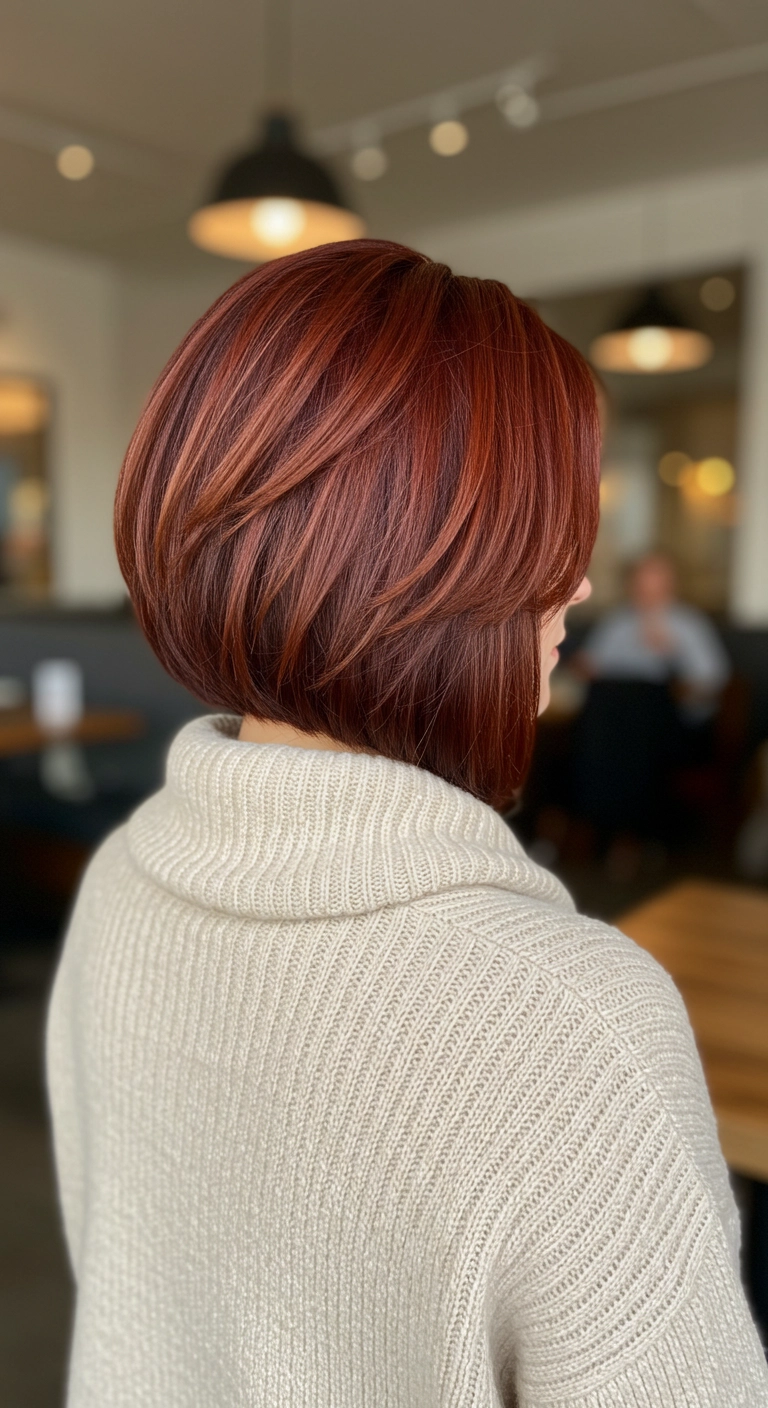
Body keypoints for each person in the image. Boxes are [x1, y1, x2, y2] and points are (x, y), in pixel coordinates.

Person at [45, 242, 767, 1407]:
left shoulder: (122, 876)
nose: (579, 584)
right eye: (553, 530)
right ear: (436, 566)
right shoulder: (578, 1029)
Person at [569, 553, 732, 851]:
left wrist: (674, 657)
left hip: (674, 725)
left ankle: (626, 833)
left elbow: (711, 686)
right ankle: (602, 827)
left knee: (639, 705)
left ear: (671, 583)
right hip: (614, 721)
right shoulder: (617, 622)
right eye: (641, 581)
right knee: (608, 711)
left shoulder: (689, 625)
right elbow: (589, 669)